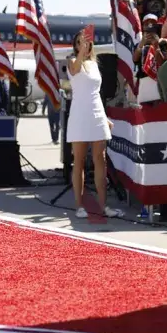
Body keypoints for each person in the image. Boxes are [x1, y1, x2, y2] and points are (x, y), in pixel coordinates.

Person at [65, 29, 122, 219]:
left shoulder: (95, 64)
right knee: (79, 161)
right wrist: (80, 53)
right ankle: (79, 205)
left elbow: (95, 93)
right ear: (76, 45)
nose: (85, 45)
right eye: (81, 42)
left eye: (87, 42)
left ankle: (103, 205)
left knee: (101, 159)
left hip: (96, 113)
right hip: (79, 114)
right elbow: (74, 71)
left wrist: (105, 117)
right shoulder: (72, 61)